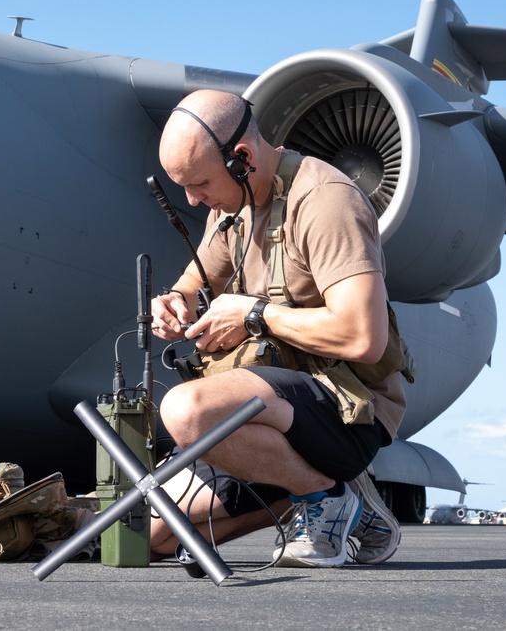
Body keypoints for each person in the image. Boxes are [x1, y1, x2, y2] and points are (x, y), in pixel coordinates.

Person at [149, 90, 406, 567]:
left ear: (241, 158)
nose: (192, 199)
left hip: (346, 410)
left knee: (185, 411)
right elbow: (195, 278)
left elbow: (364, 338)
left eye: (200, 182)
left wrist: (255, 315)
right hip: (267, 415)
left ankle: (322, 497)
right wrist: (174, 303)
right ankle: (337, 499)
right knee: (155, 534)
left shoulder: (325, 203)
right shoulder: (233, 207)